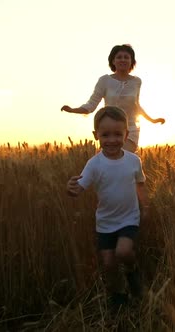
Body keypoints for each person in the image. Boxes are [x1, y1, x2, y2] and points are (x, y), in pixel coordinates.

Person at [66, 106, 149, 310]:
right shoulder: (94, 164)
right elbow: (79, 188)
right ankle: (118, 296)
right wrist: (71, 189)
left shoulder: (133, 161)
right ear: (96, 136)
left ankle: (132, 272)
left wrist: (145, 206)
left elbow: (140, 183)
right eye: (105, 135)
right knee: (109, 263)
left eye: (117, 134)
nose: (111, 140)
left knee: (123, 251)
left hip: (129, 218)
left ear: (126, 134)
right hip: (105, 222)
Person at [61, 44, 165, 152]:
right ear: (113, 61)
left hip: (131, 129)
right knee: (110, 160)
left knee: (125, 156)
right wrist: (73, 110)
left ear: (131, 61)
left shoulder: (137, 81)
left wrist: (152, 120)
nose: (123, 60)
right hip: (109, 129)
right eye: (119, 57)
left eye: (126, 57)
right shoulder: (104, 80)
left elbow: (136, 105)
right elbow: (91, 104)